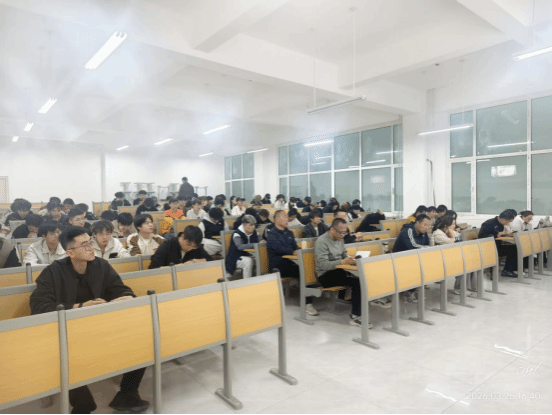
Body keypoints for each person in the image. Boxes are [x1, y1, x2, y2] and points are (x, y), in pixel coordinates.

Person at [29, 227, 149, 414]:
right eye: (84, 245)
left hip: (100, 327)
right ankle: (82, 405)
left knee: (143, 338)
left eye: (90, 242)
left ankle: (127, 394)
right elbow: (39, 306)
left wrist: (125, 297)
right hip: (67, 333)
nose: (91, 247)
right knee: (60, 353)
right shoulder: (53, 272)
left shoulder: (101, 265)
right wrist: (79, 307)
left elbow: (120, 289)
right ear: (70, 252)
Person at [315, 218, 368, 328]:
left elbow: (343, 255)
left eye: (345, 233)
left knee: (362, 277)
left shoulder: (340, 238)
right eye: (341, 232)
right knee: (357, 281)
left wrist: (350, 259)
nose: (343, 235)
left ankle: (358, 307)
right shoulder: (322, 242)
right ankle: (355, 316)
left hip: (339, 270)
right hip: (325, 275)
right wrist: (342, 262)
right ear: (332, 230)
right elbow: (322, 265)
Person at [266, 210, 318, 316]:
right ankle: (308, 304)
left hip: (291, 263)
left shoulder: (289, 233)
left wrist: (300, 251)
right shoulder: (271, 234)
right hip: (279, 265)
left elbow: (295, 247)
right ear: (277, 219)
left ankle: (310, 297)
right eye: (285, 217)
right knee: (303, 271)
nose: (288, 219)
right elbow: (279, 249)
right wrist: (293, 252)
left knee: (308, 268)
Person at [393, 214, 431, 302]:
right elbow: (412, 246)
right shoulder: (407, 231)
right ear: (417, 223)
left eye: (428, 226)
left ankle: (414, 289)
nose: (426, 228)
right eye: (425, 225)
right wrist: (427, 248)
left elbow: (427, 245)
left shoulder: (424, 233)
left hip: (413, 258)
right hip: (399, 259)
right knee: (416, 267)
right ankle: (409, 291)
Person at [432, 216, 468, 295]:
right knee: (462, 265)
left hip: (449, 256)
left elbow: (460, 238)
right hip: (440, 260)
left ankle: (464, 287)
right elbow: (454, 241)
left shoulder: (449, 231)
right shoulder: (438, 233)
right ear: (446, 225)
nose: (454, 226)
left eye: (455, 224)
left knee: (468, 262)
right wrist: (453, 234)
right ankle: (458, 289)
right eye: (452, 224)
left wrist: (453, 233)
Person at [479, 210, 518, 277]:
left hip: (497, 246)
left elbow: (499, 235)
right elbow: (481, 237)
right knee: (511, 249)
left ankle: (507, 270)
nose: (508, 224)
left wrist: (506, 235)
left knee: (514, 248)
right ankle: (500, 272)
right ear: (503, 219)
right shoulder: (489, 224)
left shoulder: (500, 224)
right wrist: (496, 236)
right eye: (508, 222)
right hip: (488, 248)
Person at [225, 214, 260, 279]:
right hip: (235, 258)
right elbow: (240, 246)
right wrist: (255, 244)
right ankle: (247, 281)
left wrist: (262, 241)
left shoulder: (255, 232)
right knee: (248, 261)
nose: (253, 227)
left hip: (248, 255)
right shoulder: (237, 234)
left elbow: (261, 240)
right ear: (244, 225)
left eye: (254, 225)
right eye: (251, 225)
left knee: (259, 259)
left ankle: (259, 280)